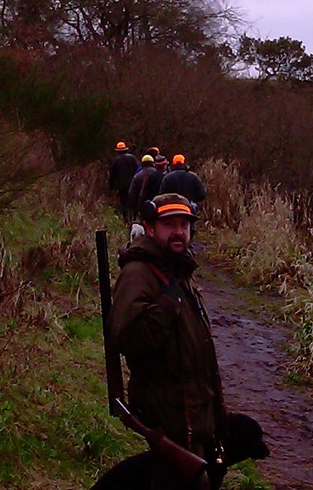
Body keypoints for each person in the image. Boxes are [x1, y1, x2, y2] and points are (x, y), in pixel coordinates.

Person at [109, 193, 226, 489]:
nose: (179, 232)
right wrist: (166, 308)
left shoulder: (177, 269)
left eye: (184, 225)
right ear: (149, 227)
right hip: (171, 416)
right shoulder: (139, 273)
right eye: (169, 224)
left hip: (193, 416)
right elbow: (127, 339)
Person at [160, 154, 208, 236]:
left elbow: (161, 195)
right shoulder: (193, 177)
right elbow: (202, 195)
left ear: (173, 164)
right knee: (188, 227)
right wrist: (193, 201)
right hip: (188, 207)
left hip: (172, 208)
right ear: (184, 163)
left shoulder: (167, 178)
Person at [109, 141, 140, 223]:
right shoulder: (132, 158)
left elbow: (112, 174)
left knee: (124, 203)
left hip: (122, 186)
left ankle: (126, 219)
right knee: (133, 202)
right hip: (133, 184)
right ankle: (134, 218)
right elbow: (138, 170)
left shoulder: (116, 160)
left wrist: (111, 186)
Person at [127, 154, 157, 220]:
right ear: (152, 163)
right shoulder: (158, 174)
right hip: (156, 203)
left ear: (142, 164)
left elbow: (131, 192)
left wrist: (135, 205)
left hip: (142, 204)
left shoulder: (137, 176)